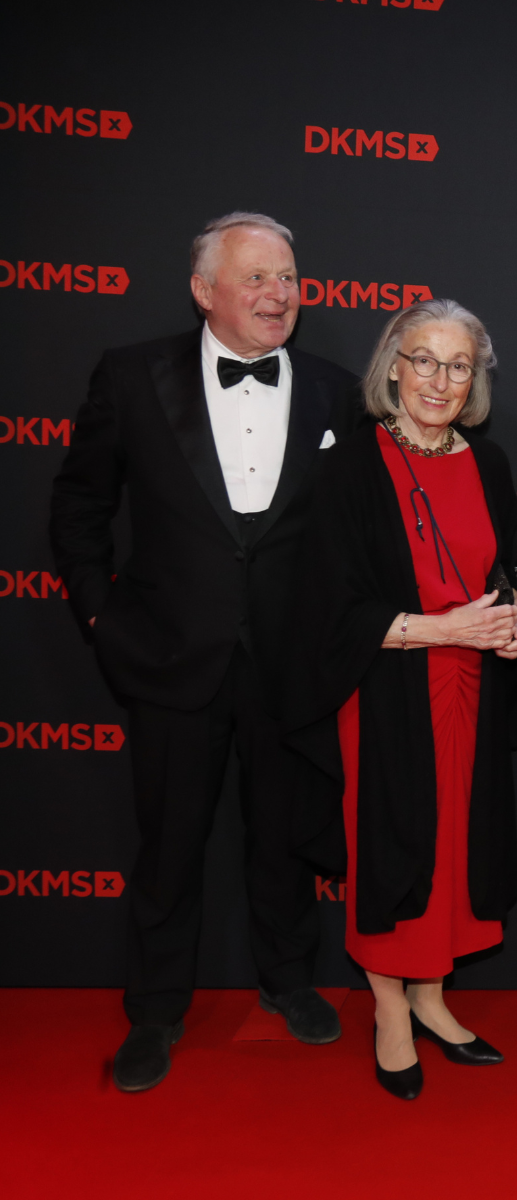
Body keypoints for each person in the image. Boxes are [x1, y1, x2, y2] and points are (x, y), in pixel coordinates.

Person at [49, 212, 359, 1092]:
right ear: (203, 291)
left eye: (289, 278)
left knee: (284, 839)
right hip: (170, 655)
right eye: (256, 277)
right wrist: (103, 620)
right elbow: (78, 509)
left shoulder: (338, 390)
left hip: (291, 663)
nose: (278, 294)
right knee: (169, 845)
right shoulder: (132, 377)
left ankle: (289, 980)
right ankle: (154, 1012)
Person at [282, 299, 517, 1100]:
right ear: (393, 364)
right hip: (387, 689)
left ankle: (432, 996)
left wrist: (514, 611)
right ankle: (390, 1006)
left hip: (470, 690)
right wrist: (443, 630)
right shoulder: (352, 466)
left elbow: (497, 573)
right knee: (392, 844)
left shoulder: (487, 465)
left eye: (459, 365)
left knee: (459, 846)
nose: (441, 379)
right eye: (423, 359)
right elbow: (329, 606)